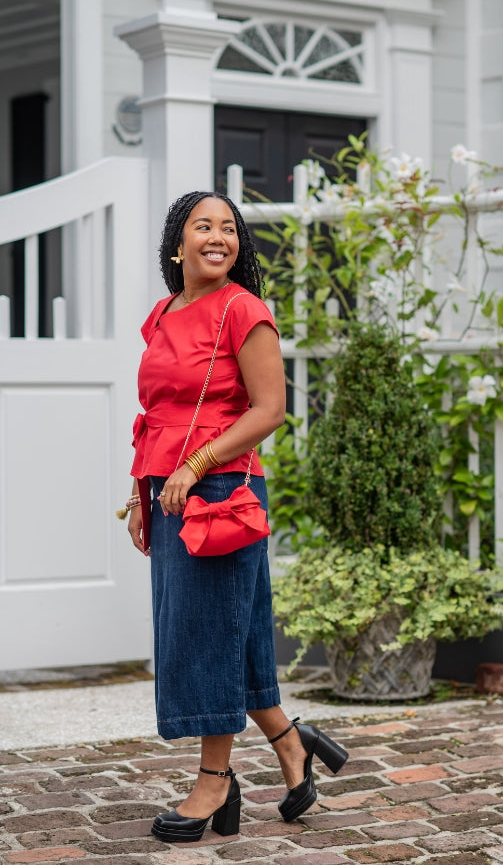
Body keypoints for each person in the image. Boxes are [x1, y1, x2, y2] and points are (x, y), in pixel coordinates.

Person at [123, 191, 348, 844]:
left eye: (230, 227)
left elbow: (268, 409)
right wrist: (142, 489)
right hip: (168, 488)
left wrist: (193, 467)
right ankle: (290, 742)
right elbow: (158, 411)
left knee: (205, 636)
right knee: (237, 631)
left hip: (221, 486)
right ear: (178, 244)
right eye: (203, 225)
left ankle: (214, 778)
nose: (218, 235)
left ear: (238, 246)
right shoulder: (163, 313)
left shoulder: (243, 310)